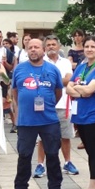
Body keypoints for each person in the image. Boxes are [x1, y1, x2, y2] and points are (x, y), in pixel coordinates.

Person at [9, 38, 65, 189]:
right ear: (26, 50)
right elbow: (15, 93)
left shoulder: (53, 70)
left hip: (49, 119)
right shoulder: (19, 69)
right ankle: (21, 188)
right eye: (30, 47)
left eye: (36, 47)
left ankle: (55, 188)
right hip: (27, 121)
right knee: (24, 155)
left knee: (53, 153)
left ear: (43, 50)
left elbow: (58, 93)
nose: (33, 50)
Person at [66, 36, 95, 189]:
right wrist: (81, 90)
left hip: (94, 116)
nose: (89, 49)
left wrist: (79, 89)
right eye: (87, 46)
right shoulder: (81, 66)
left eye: (93, 46)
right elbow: (68, 88)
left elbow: (91, 90)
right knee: (89, 151)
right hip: (80, 115)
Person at [35, 36, 78, 177]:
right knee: (42, 137)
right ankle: (40, 164)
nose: (51, 47)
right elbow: (39, 81)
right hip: (43, 103)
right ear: (44, 47)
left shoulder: (65, 62)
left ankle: (67, 162)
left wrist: (51, 80)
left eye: (54, 44)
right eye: (48, 45)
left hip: (63, 103)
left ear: (59, 47)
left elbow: (69, 79)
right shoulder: (40, 62)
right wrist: (60, 80)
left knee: (65, 135)